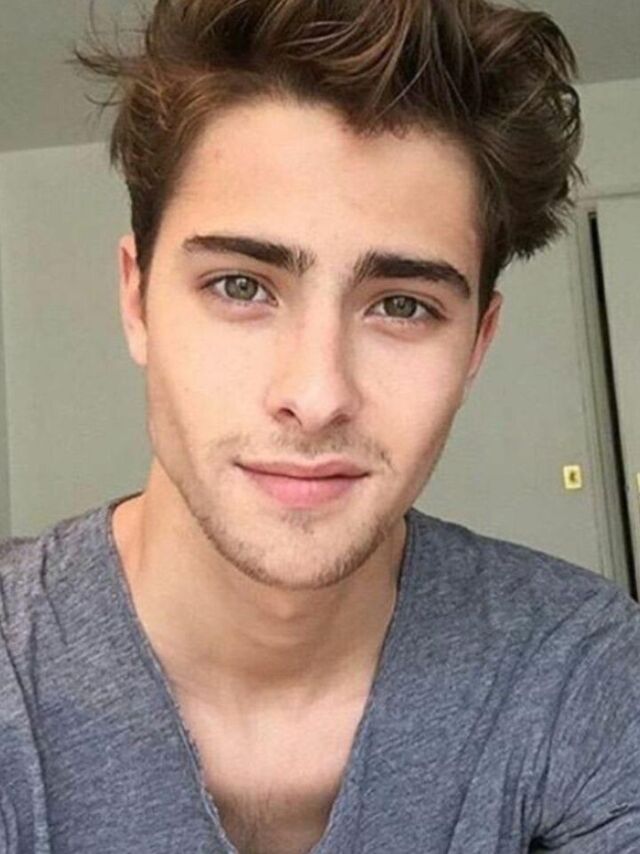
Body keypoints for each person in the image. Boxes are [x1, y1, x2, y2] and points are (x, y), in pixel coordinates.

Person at [1, 0, 639, 851]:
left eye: (403, 305)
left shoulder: (584, 672)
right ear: (137, 300)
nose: (316, 394)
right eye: (241, 286)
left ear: (477, 345)